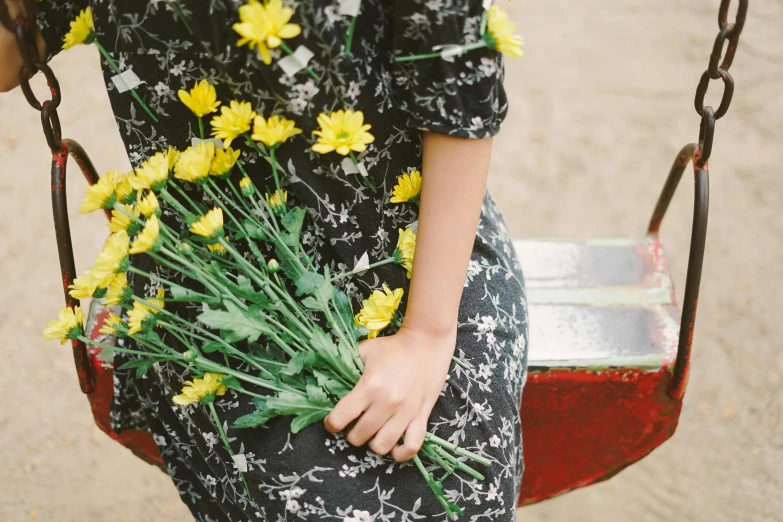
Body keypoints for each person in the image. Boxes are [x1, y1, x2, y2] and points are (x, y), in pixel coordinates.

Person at [2, 1, 528, 519]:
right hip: (218, 275)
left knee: (446, 497)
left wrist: (428, 335)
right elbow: (12, 56)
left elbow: (460, 85)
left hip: (409, 253)